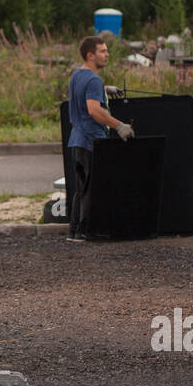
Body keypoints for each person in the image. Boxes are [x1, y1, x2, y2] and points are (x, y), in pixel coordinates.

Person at [67, 36, 134, 241]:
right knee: (92, 188)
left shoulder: (78, 75)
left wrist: (105, 90)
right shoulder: (94, 79)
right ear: (90, 55)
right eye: (103, 51)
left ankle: (75, 231)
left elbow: (86, 92)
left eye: (106, 50)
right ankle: (87, 232)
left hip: (76, 141)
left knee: (82, 188)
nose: (107, 54)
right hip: (91, 140)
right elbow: (94, 110)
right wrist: (119, 126)